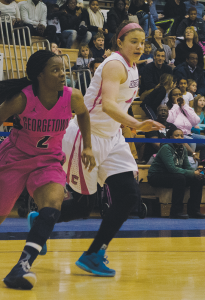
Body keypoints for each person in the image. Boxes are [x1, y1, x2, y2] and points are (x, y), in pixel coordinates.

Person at [0, 50, 96, 290]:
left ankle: (22, 266)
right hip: (15, 160)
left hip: (48, 161)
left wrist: (87, 146)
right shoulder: (22, 99)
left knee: (53, 206)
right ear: (39, 75)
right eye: (55, 70)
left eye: (63, 70)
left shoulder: (73, 97)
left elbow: (84, 115)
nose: (62, 75)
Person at [29, 21, 164, 276]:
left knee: (129, 197)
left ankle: (93, 254)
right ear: (120, 43)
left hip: (112, 138)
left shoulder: (135, 67)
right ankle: (41, 220)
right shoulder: (114, 65)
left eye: (142, 42)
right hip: (85, 137)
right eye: (133, 41)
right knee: (82, 206)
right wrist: (136, 123)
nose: (139, 46)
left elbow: (117, 110)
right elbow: (110, 106)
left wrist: (125, 128)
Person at [148, 127, 205, 219]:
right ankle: (176, 212)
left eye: (181, 135)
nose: (179, 137)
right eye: (176, 135)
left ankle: (194, 211)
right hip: (156, 176)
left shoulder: (182, 148)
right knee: (180, 178)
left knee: (197, 179)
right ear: (171, 137)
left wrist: (196, 173)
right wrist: (192, 173)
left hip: (173, 175)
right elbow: (172, 169)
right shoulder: (166, 148)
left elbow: (187, 167)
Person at [166, 87, 205, 161]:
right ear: (170, 97)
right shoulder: (168, 108)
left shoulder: (185, 108)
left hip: (189, 134)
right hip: (177, 137)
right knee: (192, 141)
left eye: (180, 94)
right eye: (175, 95)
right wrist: (175, 105)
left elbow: (196, 121)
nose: (178, 96)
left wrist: (184, 106)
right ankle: (190, 165)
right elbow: (169, 120)